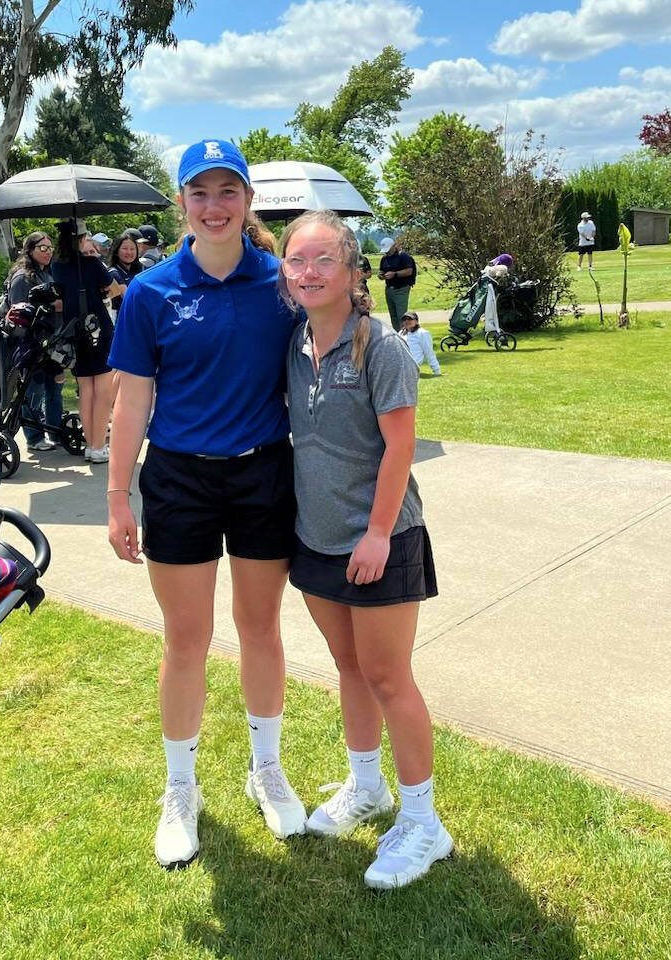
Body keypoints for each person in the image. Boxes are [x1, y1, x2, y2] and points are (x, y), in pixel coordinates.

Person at [107, 138, 302, 870]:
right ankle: (181, 787)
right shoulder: (152, 291)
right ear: (181, 202)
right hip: (180, 480)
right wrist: (116, 496)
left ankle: (265, 768)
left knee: (261, 628)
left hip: (262, 475)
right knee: (186, 639)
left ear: (248, 200)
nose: (215, 207)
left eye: (229, 192)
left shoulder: (282, 285)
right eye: (200, 193)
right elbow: (132, 403)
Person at [281, 209, 452, 890]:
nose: (311, 272)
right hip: (315, 540)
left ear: (355, 275)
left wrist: (379, 532)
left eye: (326, 260)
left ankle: (423, 822)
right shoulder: (293, 344)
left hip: (382, 538)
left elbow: (401, 446)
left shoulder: (380, 348)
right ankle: (366, 788)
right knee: (348, 667)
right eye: (298, 260)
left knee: (388, 677)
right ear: (285, 272)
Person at [52, 219, 120, 463]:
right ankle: (99, 445)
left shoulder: (56, 265)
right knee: (103, 390)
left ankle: (91, 445)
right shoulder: (92, 263)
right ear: (81, 239)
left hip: (74, 330)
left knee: (86, 390)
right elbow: (114, 289)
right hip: (98, 327)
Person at [8, 231, 64, 453]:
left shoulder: (48, 273)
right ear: (30, 250)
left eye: (50, 248)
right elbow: (19, 312)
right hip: (31, 342)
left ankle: (56, 431)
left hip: (52, 341)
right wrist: (53, 307)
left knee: (55, 387)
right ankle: (34, 437)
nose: (48, 252)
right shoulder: (23, 277)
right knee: (33, 390)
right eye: (43, 248)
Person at [377, 237, 417, 332]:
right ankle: (397, 334)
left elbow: (409, 271)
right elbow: (381, 270)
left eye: (388, 250)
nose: (387, 252)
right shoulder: (384, 259)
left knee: (401, 315)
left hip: (401, 289)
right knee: (393, 316)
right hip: (389, 289)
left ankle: (405, 335)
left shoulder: (403, 257)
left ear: (394, 246)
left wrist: (395, 274)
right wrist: (381, 275)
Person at [108, 230, 143, 318]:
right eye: (125, 248)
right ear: (117, 251)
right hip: (121, 322)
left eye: (132, 249)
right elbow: (129, 299)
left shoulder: (137, 271)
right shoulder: (114, 273)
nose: (129, 252)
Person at [399, 311, 441, 377]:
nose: (407, 321)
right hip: (400, 363)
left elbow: (429, 353)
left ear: (416, 321)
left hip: (411, 365)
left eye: (410, 319)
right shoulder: (401, 332)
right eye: (404, 319)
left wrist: (437, 371)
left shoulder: (422, 333)